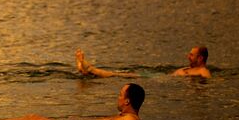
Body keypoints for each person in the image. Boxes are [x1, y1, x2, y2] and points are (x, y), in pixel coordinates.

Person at [0, 83, 145, 120]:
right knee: (33, 117)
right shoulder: (126, 117)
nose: (118, 97)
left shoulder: (130, 118)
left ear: (127, 101)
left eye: (120, 95)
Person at [76, 46, 211, 79]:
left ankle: (90, 69)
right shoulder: (190, 68)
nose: (188, 56)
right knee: (122, 74)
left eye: (191, 55)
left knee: (120, 75)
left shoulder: (202, 71)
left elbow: (208, 81)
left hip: (162, 79)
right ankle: (86, 70)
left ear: (200, 58)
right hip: (161, 76)